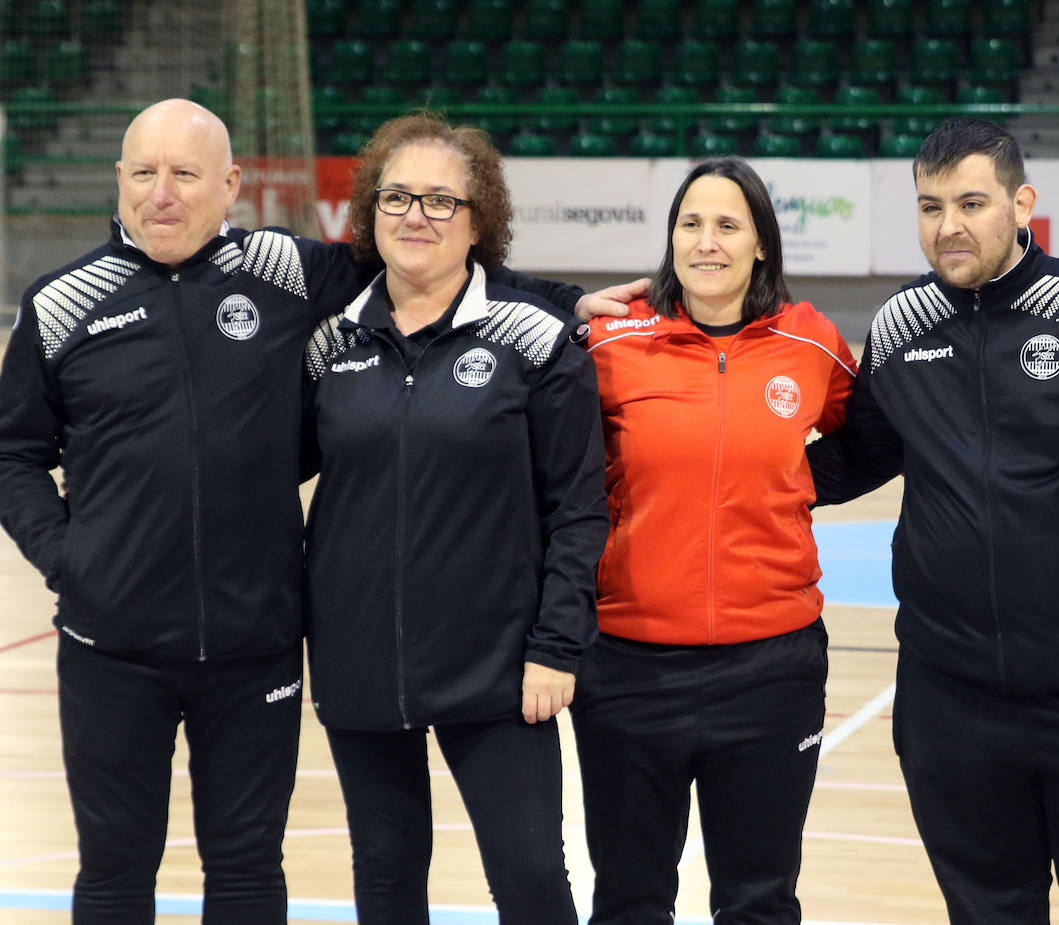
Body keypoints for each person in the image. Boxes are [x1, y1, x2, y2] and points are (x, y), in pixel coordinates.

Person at [0, 98, 637, 924]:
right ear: (119, 181)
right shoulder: (59, 303)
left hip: (256, 643)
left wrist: (562, 300)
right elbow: (14, 452)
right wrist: (70, 558)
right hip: (111, 647)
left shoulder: (283, 271)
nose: (163, 193)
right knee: (116, 873)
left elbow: (427, 262)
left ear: (229, 185)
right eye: (146, 174)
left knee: (246, 868)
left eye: (186, 174)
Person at [805, 117, 1059, 924]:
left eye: (971, 202)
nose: (948, 226)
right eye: (930, 206)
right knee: (987, 911)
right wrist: (717, 475)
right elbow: (858, 456)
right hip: (949, 698)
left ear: (1021, 202)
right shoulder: (900, 325)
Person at [300, 113, 607, 924]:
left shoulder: (534, 341)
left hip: (500, 671)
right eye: (397, 196)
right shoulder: (330, 343)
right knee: (388, 880)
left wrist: (555, 645)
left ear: (480, 222)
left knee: (534, 878)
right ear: (368, 212)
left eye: (442, 200)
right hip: (361, 662)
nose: (416, 215)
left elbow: (578, 508)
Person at [570, 157, 856, 924]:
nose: (706, 242)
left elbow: (861, 440)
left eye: (728, 225)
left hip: (771, 672)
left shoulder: (812, 341)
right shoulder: (608, 339)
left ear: (761, 243)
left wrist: (787, 484)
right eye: (690, 224)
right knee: (629, 900)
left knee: (759, 901)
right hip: (627, 670)